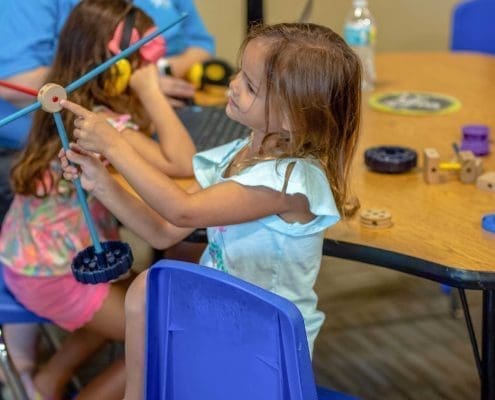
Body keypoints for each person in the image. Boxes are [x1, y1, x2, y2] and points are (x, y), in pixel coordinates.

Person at [60, 21, 362, 399]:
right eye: (240, 73)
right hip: (221, 318)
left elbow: (183, 211)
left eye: (250, 86)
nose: (234, 84)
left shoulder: (290, 181)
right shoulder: (238, 154)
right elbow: (164, 230)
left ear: (290, 117)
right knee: (146, 295)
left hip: (263, 342)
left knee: (145, 295)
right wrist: (100, 181)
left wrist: (116, 147)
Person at [0, 1, 196, 398]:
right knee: (163, 340)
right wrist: (152, 92)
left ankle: (47, 383)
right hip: (55, 273)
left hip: (27, 260)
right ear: (120, 65)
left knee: (128, 301)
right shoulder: (104, 126)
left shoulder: (64, 111)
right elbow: (182, 161)